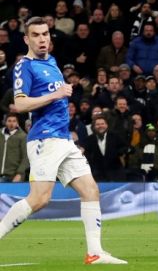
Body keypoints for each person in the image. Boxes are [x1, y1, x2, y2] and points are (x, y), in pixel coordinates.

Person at [0, 17, 126, 264]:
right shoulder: (24, 66)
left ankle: (95, 252)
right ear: (27, 39)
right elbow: (21, 104)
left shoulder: (52, 62)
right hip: (45, 139)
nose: (42, 39)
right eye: (35, 35)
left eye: (45, 34)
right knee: (39, 199)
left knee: (91, 191)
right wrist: (56, 93)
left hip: (63, 138)